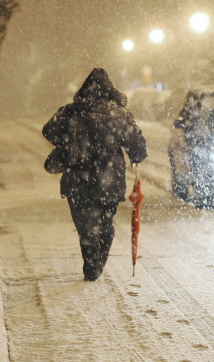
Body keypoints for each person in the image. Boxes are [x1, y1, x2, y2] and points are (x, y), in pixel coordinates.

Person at [42, 68, 148, 281]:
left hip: (77, 176)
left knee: (84, 224)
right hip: (109, 177)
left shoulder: (71, 111)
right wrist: (134, 155)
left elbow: (48, 131)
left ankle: (91, 263)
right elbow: (137, 144)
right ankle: (98, 260)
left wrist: (68, 141)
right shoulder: (117, 113)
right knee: (106, 223)